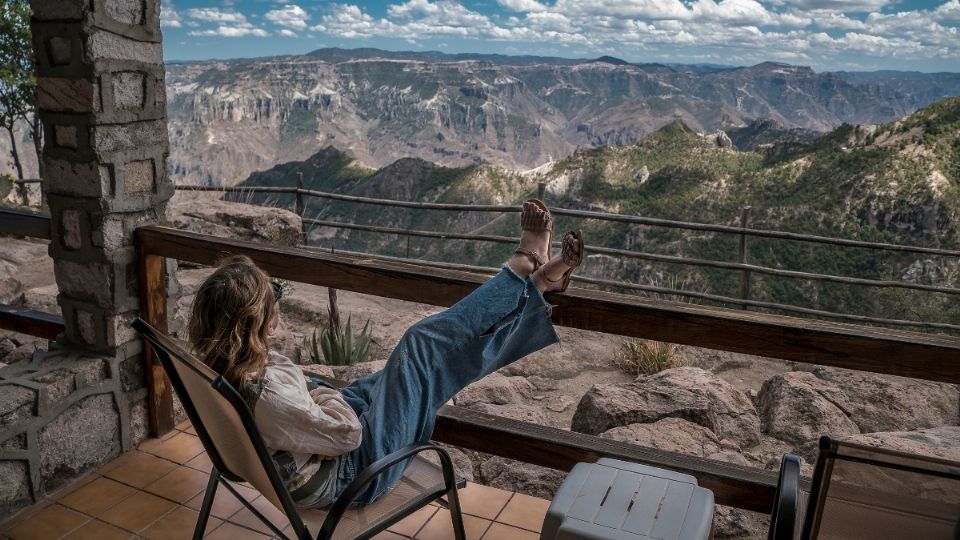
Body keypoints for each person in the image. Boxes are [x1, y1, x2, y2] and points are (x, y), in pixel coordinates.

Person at [188, 199, 584, 508]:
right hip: (353, 474)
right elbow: (347, 433)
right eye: (270, 296)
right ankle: (526, 272)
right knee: (420, 344)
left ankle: (534, 283)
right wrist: (325, 395)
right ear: (254, 326)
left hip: (311, 453)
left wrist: (316, 395)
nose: (277, 299)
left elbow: (299, 407)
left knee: (424, 363)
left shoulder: (227, 367)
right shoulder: (270, 396)